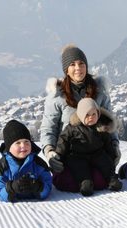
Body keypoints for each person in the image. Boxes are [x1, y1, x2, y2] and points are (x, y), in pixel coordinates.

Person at [40, 44, 121, 192]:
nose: (78, 68)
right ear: (66, 69)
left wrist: (114, 146)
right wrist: (50, 151)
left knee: (101, 179)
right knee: (69, 182)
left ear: (86, 65)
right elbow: (48, 128)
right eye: (72, 64)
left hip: (97, 150)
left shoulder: (99, 92)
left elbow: (109, 124)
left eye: (81, 63)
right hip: (70, 154)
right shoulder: (57, 96)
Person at [54, 98, 122, 196]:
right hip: (77, 155)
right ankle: (85, 183)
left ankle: (112, 180)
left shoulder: (100, 126)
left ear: (98, 114)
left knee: (106, 163)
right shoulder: (72, 128)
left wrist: (113, 155)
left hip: (97, 153)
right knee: (80, 168)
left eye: (94, 114)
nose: (91, 117)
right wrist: (59, 156)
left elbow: (107, 143)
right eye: (87, 115)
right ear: (81, 115)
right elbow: (63, 141)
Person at [0, 120, 52, 202]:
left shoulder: (39, 164)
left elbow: (48, 187)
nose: (23, 146)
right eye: (18, 143)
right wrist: (12, 187)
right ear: (8, 147)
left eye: (26, 142)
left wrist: (38, 186)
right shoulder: (2, 166)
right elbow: (0, 193)